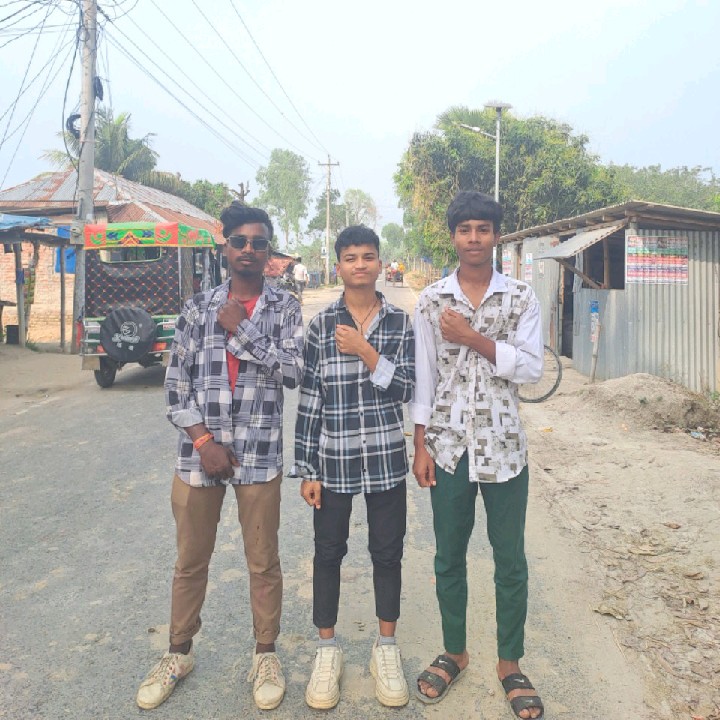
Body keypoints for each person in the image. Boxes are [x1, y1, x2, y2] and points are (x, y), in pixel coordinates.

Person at [136, 202, 304, 712]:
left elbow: (294, 373)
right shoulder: (196, 308)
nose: (249, 250)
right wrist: (205, 442)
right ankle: (178, 653)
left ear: (269, 252)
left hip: (259, 454)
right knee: (190, 561)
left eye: (259, 242)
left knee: (263, 561)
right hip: (199, 457)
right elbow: (175, 386)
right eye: (240, 241)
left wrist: (243, 330)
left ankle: (265, 655)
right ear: (224, 248)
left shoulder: (285, 308)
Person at [410, 191, 545, 719]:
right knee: (449, 556)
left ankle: (510, 663)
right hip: (448, 447)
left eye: (482, 229)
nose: (473, 238)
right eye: (464, 229)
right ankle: (455, 652)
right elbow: (424, 375)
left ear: (496, 236)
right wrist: (420, 443)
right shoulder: (431, 300)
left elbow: (532, 368)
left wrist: (473, 338)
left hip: (505, 448)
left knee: (510, 559)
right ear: (453, 237)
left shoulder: (521, 297)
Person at [295, 225, 415, 710]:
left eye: (368, 256)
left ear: (381, 263)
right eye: (351, 257)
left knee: (387, 554)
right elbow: (310, 399)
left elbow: (406, 387)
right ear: (338, 265)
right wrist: (307, 468)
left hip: (385, 458)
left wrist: (367, 352)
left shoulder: (399, 324)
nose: (360, 265)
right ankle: (328, 651)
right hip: (335, 460)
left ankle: (386, 648)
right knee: (328, 553)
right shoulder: (321, 326)